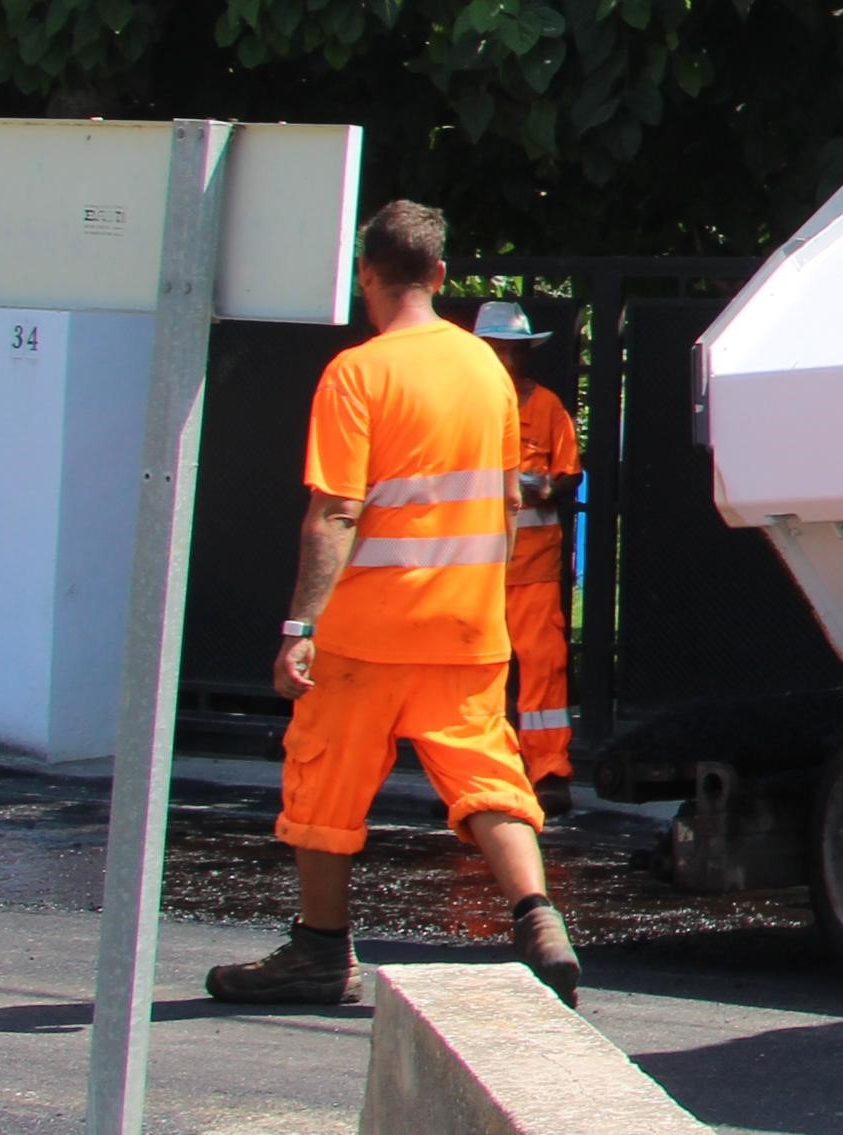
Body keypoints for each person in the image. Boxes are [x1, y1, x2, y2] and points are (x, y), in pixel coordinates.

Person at [208, 202, 582, 1010]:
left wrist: (299, 627)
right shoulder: (488, 371)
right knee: (487, 776)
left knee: (322, 785)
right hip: (466, 625)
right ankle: (537, 917)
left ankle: (320, 952)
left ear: (365, 275)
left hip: (367, 633)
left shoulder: (358, 373)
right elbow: (507, 502)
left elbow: (336, 512)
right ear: (440, 275)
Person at [472, 301, 582, 814]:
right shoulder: (461, 408)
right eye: (496, 349)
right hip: (474, 568)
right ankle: (477, 777)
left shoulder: (547, 407)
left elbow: (568, 475)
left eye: (512, 350)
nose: (505, 359)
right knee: (474, 673)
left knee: (543, 667)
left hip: (532, 567)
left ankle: (548, 772)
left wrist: (539, 488)